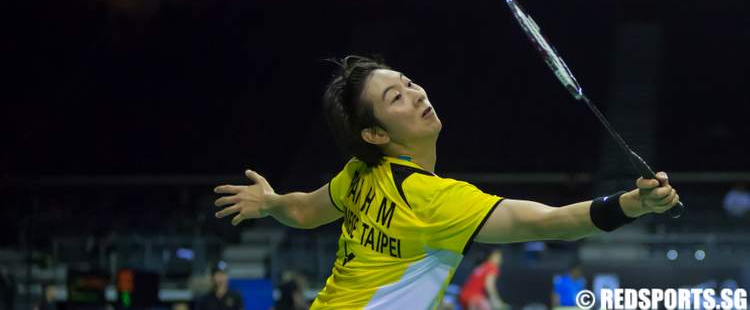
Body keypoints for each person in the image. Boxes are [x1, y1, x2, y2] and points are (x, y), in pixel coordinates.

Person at [214, 55, 680, 309]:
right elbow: (552, 222)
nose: (416, 94)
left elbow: (302, 212)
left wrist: (272, 202)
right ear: (375, 134)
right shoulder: (434, 201)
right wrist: (632, 205)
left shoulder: (361, 174)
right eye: (395, 97)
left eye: (410, 82)